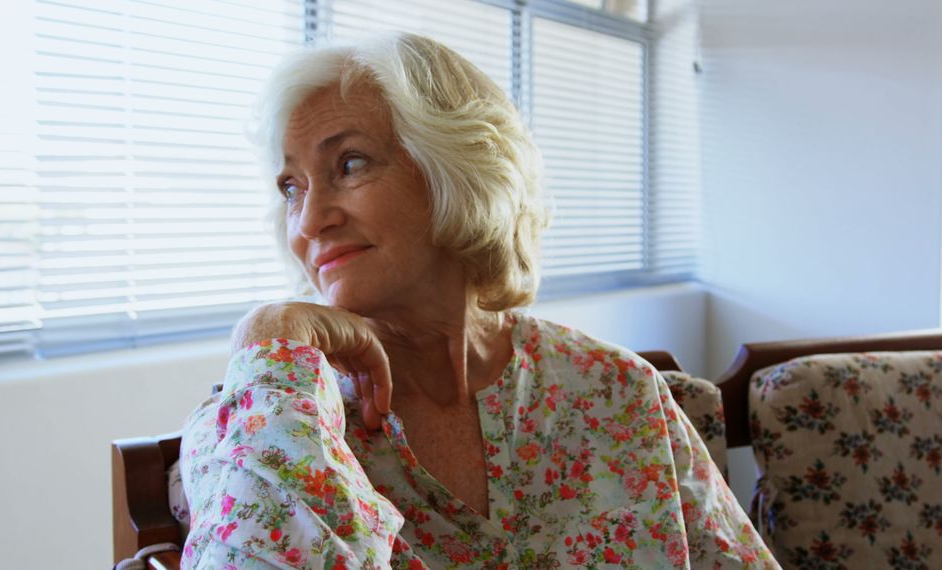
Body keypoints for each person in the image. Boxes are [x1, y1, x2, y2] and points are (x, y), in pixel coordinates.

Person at [178, 32, 777, 569]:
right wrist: (269, 333)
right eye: (291, 188)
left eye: (350, 163)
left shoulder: (618, 392)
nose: (309, 220)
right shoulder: (266, 414)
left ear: (456, 169)